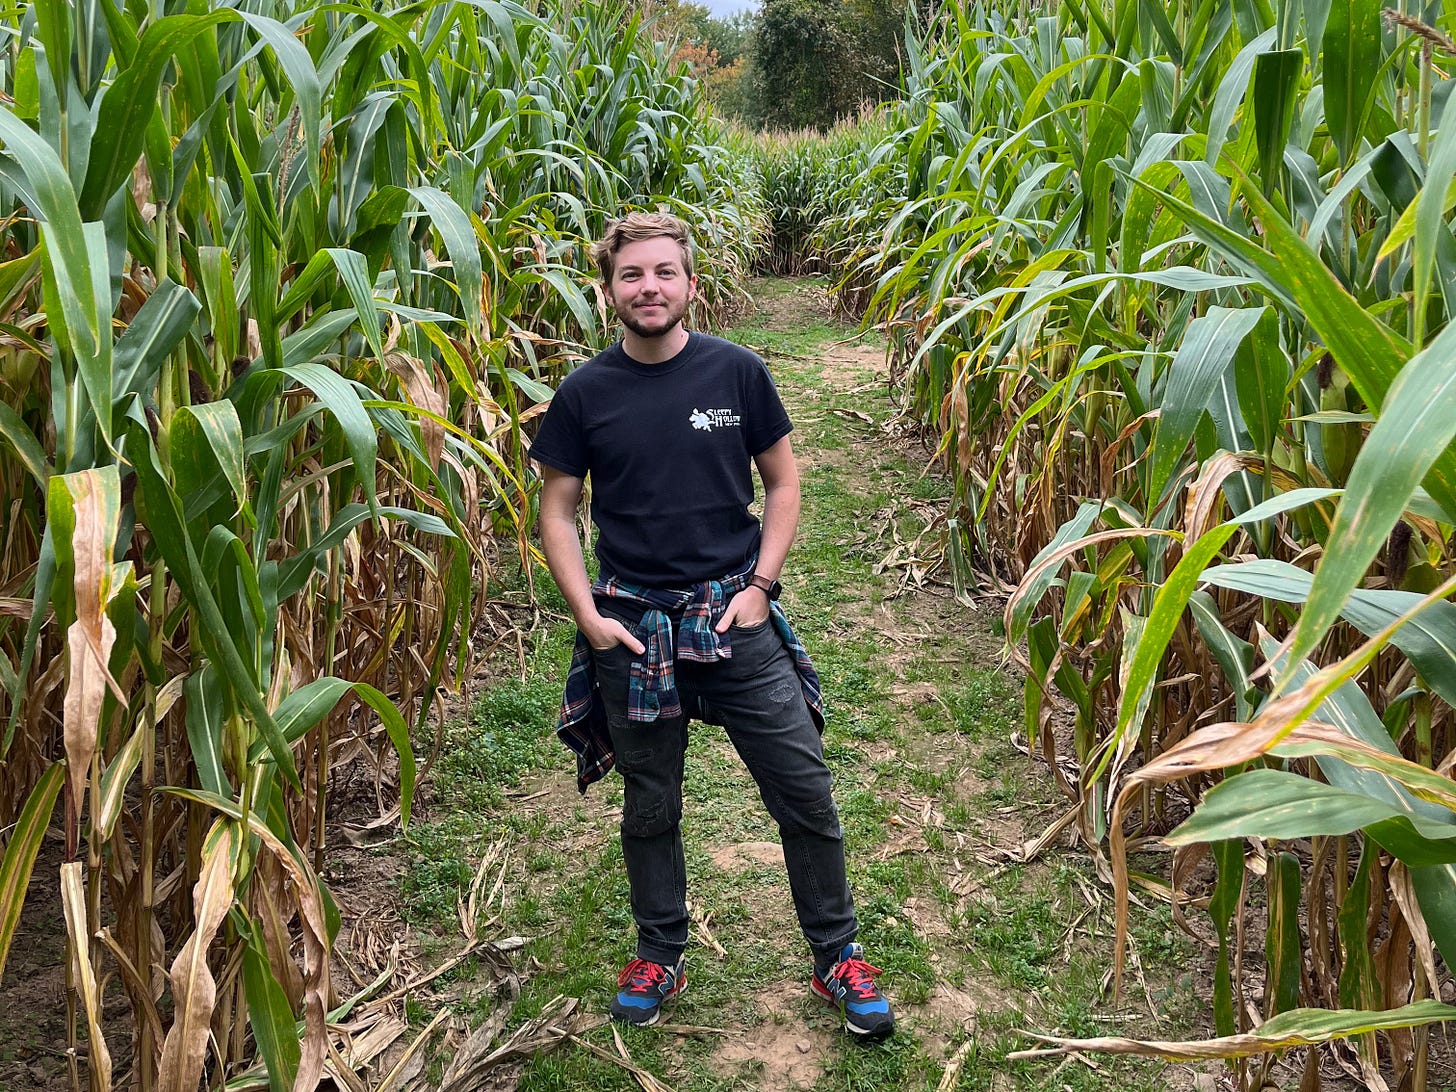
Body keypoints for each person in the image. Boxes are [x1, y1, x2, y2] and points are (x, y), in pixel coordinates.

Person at [529, 211, 894, 1039]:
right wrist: (589, 616)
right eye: (631, 275)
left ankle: (836, 954)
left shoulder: (737, 373)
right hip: (632, 628)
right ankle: (661, 950)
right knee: (650, 804)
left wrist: (762, 586)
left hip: (731, 615)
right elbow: (556, 507)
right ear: (608, 289)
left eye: (664, 272)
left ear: (692, 283)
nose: (648, 287)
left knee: (803, 787)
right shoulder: (585, 393)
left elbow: (784, 483)